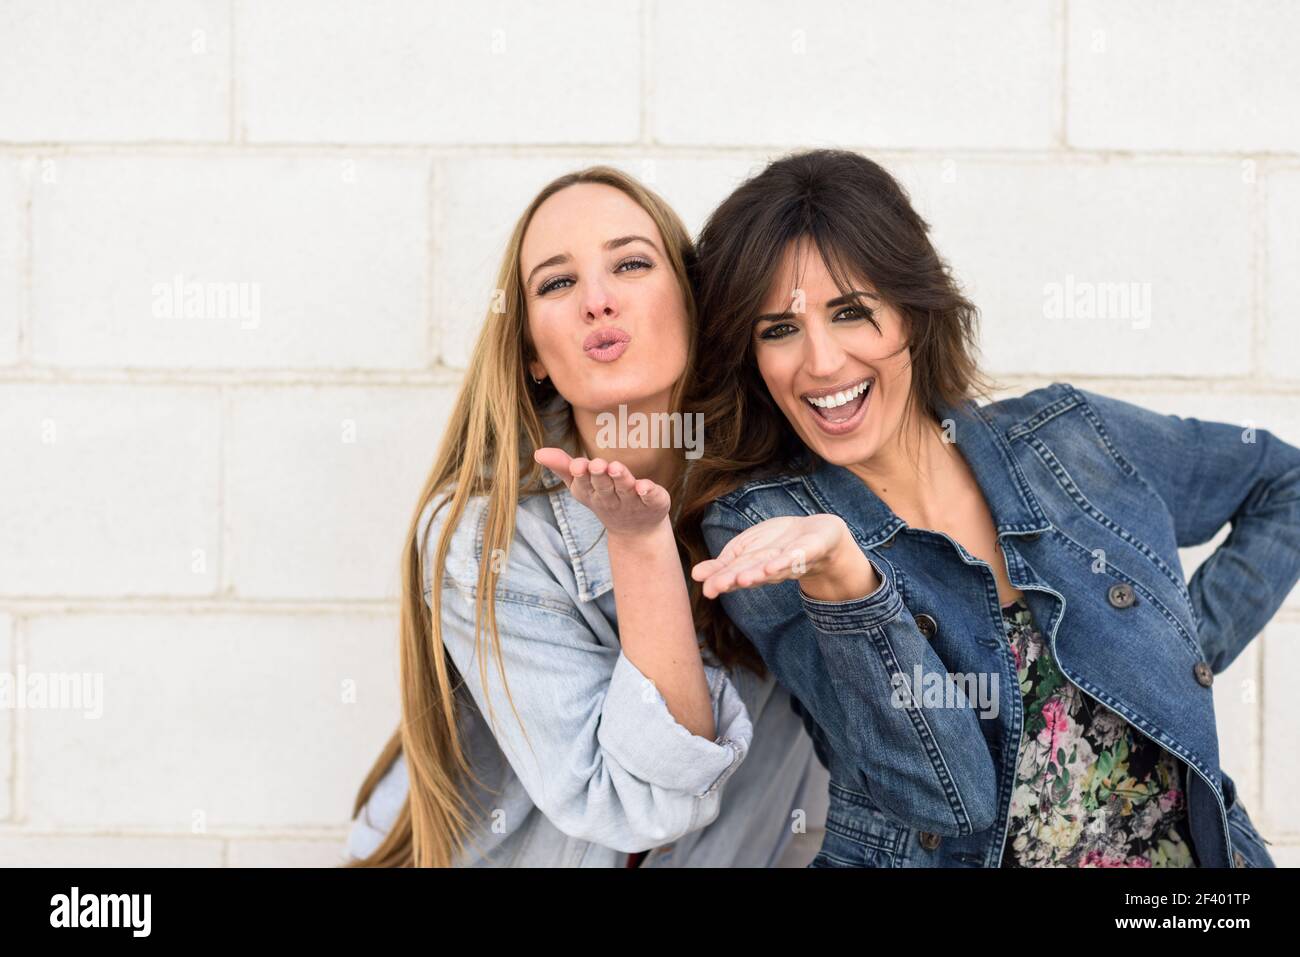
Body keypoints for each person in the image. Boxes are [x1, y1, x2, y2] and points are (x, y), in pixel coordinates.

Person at [680, 148, 1298, 868]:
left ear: (911, 311)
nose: (820, 361)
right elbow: (947, 797)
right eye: (778, 329)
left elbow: (1283, 484)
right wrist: (851, 586)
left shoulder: (1067, 440)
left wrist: (1177, 655)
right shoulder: (768, 530)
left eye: (851, 311)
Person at [343, 165, 817, 867]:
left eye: (629, 263)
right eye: (557, 283)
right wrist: (640, 542)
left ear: (693, 305)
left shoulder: (789, 488)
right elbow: (636, 804)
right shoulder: (484, 535)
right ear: (533, 353)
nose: (597, 300)